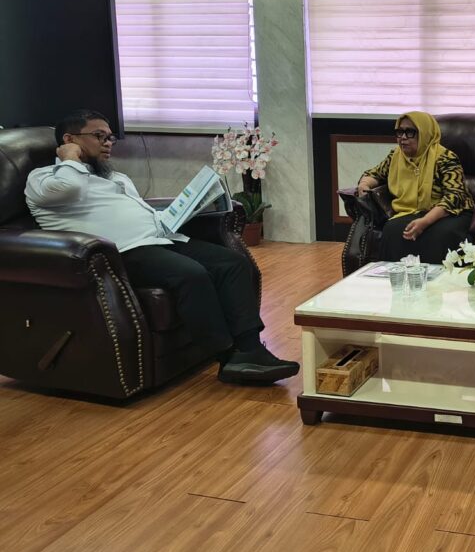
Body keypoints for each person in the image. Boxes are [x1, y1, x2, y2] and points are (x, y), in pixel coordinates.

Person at [24, 109, 299, 385]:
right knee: (191, 274)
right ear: (69, 139)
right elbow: (69, 188)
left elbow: (142, 211)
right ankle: (229, 357)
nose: (108, 143)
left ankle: (250, 348)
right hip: (121, 252)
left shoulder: (114, 177)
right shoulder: (43, 178)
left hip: (159, 239)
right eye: (99, 136)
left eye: (110, 137)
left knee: (232, 263)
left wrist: (184, 210)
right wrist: (70, 159)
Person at [357, 111, 474, 264]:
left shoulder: (445, 157)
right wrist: (364, 184)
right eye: (400, 132)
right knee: (392, 229)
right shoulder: (396, 156)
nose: (403, 137)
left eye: (410, 132)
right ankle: (397, 276)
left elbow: (455, 196)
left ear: (425, 133)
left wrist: (425, 221)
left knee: (442, 233)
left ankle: (437, 278)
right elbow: (374, 174)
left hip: (449, 213)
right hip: (411, 210)